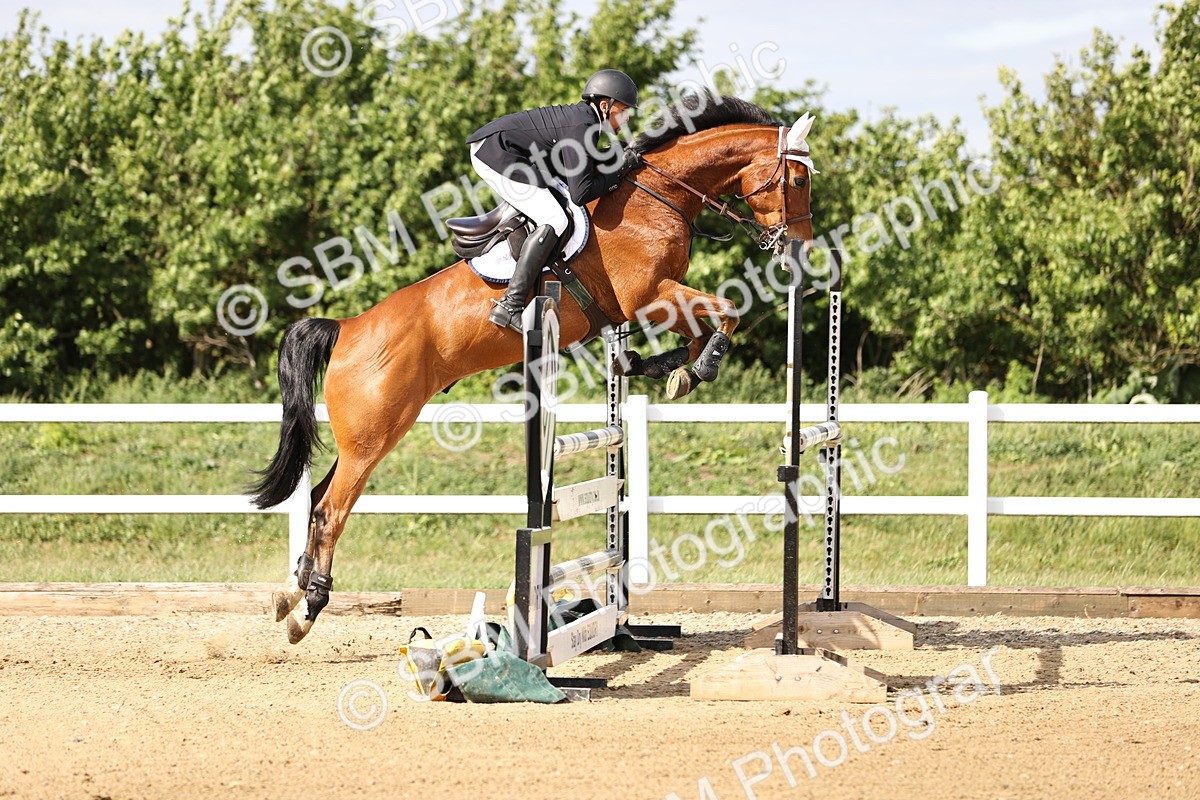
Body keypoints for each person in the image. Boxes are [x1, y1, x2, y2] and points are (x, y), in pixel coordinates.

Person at [466, 69, 642, 331]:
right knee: (555, 218)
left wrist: (617, 157)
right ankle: (510, 304)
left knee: (556, 205)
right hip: (494, 153)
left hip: (510, 152)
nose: (626, 118)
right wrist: (619, 171)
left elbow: (583, 164)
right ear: (605, 106)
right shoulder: (583, 126)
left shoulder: (586, 123)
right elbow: (581, 193)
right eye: (624, 111)